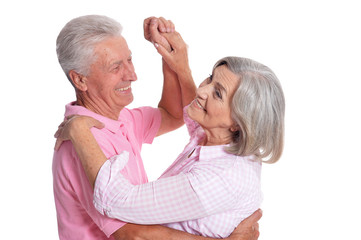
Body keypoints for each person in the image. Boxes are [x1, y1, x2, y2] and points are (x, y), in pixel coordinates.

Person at [53, 14, 261, 240]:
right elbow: (131, 235)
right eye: (115, 67)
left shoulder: (122, 120)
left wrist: (170, 59)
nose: (132, 75)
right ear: (80, 80)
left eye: (129, 60)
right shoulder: (83, 147)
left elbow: (173, 114)